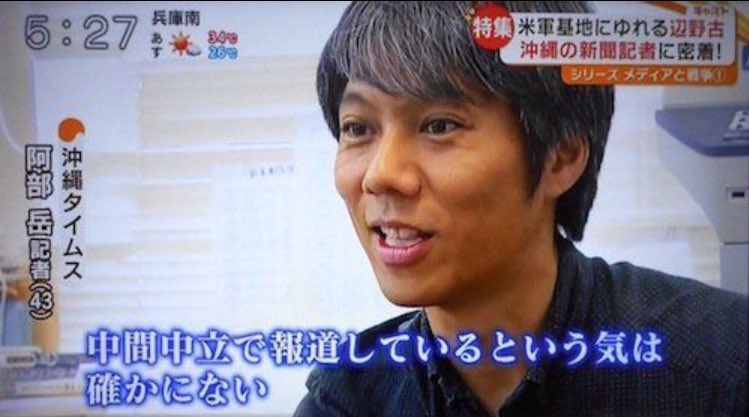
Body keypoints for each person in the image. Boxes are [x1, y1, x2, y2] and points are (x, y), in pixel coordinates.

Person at [295, 2, 748, 416]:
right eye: (357, 128)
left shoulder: (722, 366)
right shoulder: (346, 401)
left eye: (439, 125)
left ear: (561, 157)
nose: (380, 175)